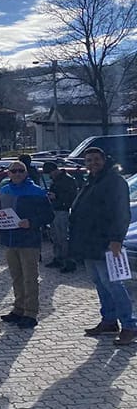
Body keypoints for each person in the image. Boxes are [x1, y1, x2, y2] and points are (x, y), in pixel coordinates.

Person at [69, 147, 136, 345]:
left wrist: (116, 239)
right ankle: (109, 320)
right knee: (100, 283)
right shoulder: (90, 181)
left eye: (96, 159)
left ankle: (130, 325)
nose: (93, 163)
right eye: (89, 160)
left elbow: (122, 213)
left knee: (113, 284)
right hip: (89, 243)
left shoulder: (115, 181)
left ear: (104, 160)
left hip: (106, 243)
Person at [0, 161, 53, 329]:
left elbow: (49, 215)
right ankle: (18, 309)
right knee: (16, 277)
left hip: (29, 242)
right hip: (10, 241)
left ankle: (31, 313)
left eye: (21, 171)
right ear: (9, 174)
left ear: (26, 173)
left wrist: (32, 222)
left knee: (30, 278)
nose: (17, 173)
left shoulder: (37, 191)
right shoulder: (4, 190)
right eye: (14, 171)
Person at [42, 162, 79, 273]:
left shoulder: (68, 180)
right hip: (54, 210)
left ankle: (68, 262)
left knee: (63, 237)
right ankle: (58, 258)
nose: (49, 176)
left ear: (55, 170)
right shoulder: (56, 180)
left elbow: (72, 197)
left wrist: (57, 196)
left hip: (63, 211)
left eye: (50, 173)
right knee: (55, 236)